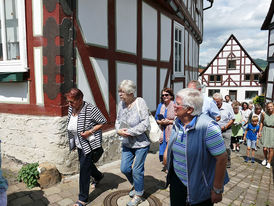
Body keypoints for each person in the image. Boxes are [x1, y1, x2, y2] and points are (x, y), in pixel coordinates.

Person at [163, 88, 228, 206]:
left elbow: (222, 158)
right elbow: (173, 138)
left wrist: (217, 189)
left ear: (190, 110)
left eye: (177, 104)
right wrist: (167, 154)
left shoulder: (208, 127)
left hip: (199, 185)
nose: (174, 106)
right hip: (177, 180)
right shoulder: (178, 121)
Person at [66, 88, 107, 206]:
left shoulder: (90, 108)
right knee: (86, 164)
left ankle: (82, 199)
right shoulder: (71, 108)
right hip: (79, 143)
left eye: (72, 101)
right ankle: (98, 176)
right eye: (68, 101)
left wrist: (90, 131)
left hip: (88, 144)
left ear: (80, 100)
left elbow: (103, 121)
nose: (69, 104)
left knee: (84, 170)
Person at [115, 80, 150, 206]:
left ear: (130, 93)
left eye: (122, 92)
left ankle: (138, 194)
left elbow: (145, 123)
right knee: (124, 168)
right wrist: (118, 130)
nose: (120, 94)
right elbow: (118, 120)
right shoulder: (121, 104)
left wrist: (129, 132)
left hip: (141, 143)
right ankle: (137, 185)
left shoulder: (140, 102)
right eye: (119, 91)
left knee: (137, 170)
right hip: (127, 143)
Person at [213, 93, 235, 168]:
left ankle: (228, 160)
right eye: (214, 101)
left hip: (226, 130)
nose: (216, 103)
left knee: (226, 147)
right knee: (216, 147)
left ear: (222, 100)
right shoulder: (212, 106)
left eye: (218, 101)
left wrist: (225, 127)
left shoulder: (228, 106)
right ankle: (217, 161)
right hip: (215, 131)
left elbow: (232, 119)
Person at [155, 88, 175, 166]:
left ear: (171, 96)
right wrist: (161, 121)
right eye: (163, 95)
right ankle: (166, 164)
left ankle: (170, 165)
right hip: (163, 130)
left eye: (166, 95)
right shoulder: (160, 105)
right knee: (164, 150)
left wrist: (169, 122)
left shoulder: (175, 105)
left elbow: (178, 120)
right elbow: (156, 118)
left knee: (170, 149)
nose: (164, 96)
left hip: (172, 130)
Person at [259, 102, 274, 169]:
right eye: (268, 106)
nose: (270, 108)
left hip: (272, 131)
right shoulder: (264, 114)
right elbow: (261, 122)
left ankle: (269, 162)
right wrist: (260, 131)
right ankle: (265, 158)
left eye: (271, 106)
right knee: (265, 147)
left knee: (271, 148)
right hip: (265, 130)